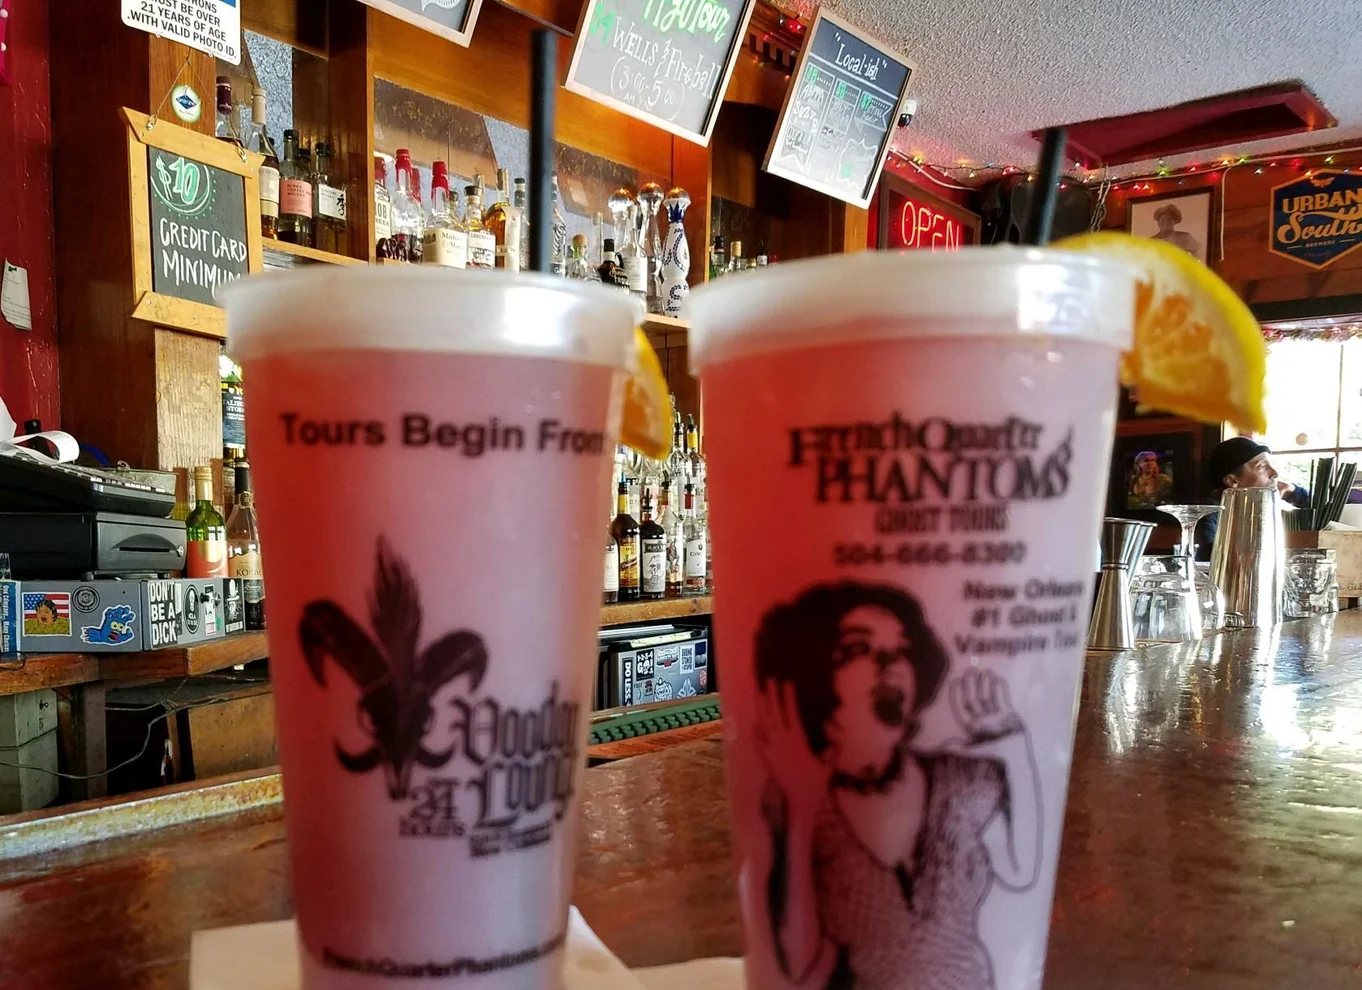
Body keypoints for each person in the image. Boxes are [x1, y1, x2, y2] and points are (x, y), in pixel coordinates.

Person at [753, 583, 1041, 990]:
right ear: (817, 675)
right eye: (858, 649)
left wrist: (1014, 743)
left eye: (902, 650)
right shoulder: (798, 796)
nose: (890, 662)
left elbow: (1022, 872)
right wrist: (800, 805)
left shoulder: (960, 779)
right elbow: (796, 962)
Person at [1195, 437, 1310, 560]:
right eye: (1262, 466)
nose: (1275, 473)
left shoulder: (1266, 508)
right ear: (1233, 481)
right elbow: (1212, 555)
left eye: (1271, 466)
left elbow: (1323, 515)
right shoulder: (1209, 513)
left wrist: (1293, 492)